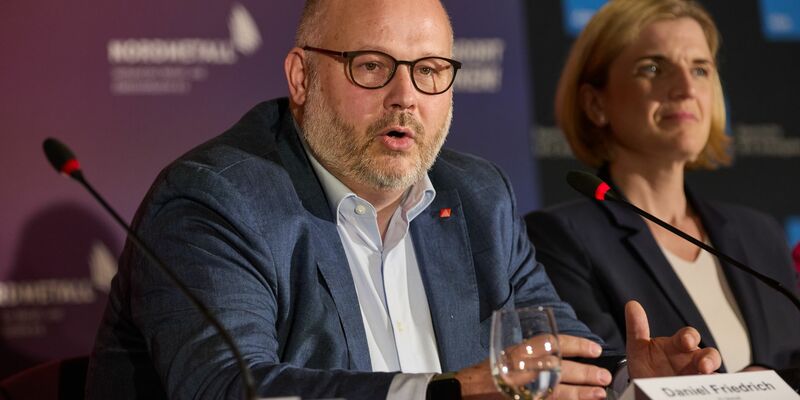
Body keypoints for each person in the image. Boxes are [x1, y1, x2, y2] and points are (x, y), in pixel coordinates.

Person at [85, 0, 721, 399]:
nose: (405, 96)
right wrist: (447, 393)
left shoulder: (478, 198)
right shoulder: (217, 200)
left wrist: (631, 380)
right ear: (300, 77)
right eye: (371, 66)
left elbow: (554, 358)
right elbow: (229, 388)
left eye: (430, 70)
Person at [526, 0, 799, 375]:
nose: (686, 88)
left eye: (700, 69)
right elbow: (598, 380)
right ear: (595, 103)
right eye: (653, 68)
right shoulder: (559, 240)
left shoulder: (760, 234)